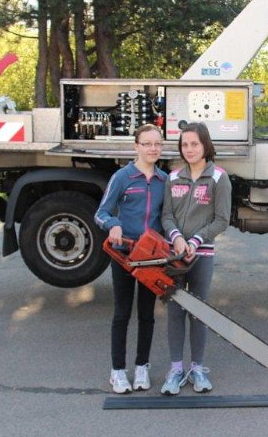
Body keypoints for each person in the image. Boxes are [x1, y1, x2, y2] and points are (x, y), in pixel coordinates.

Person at [160, 122, 232, 395]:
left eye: (194, 144)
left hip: (201, 255)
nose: (189, 149)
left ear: (205, 146)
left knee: (199, 312)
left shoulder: (218, 178)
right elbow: (166, 215)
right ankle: (176, 369)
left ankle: (198, 368)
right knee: (175, 311)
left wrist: (195, 240)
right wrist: (177, 238)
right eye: (185, 144)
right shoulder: (172, 177)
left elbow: (222, 219)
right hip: (174, 256)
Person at [95, 124, 167, 394]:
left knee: (147, 314)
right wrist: (113, 224)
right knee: (122, 313)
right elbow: (100, 212)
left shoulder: (164, 180)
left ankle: (142, 367)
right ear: (136, 146)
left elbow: (167, 217)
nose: (153, 149)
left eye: (157, 144)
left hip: (151, 259)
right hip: (125, 256)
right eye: (147, 144)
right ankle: (117, 371)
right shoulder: (122, 177)